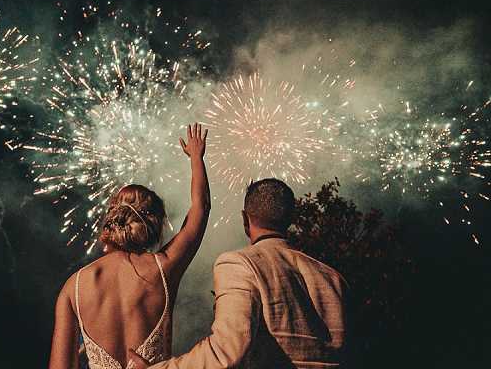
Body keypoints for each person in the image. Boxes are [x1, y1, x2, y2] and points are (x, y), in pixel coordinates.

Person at [131, 178, 350, 369]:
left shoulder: (240, 264)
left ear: (245, 220)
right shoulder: (333, 278)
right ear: (290, 219)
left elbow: (226, 352)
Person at [49, 123, 211, 369]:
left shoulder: (74, 287)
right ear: (152, 227)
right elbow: (201, 208)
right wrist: (196, 158)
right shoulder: (163, 268)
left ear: (111, 221)